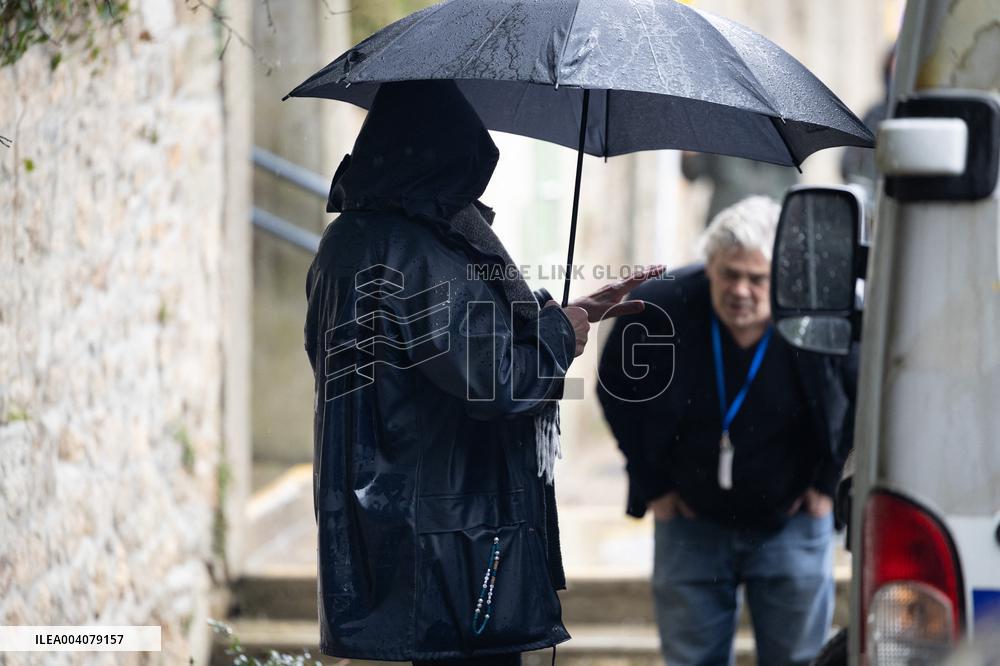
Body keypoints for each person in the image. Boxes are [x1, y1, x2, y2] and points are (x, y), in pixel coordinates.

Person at [304, 79, 661, 666]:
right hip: (445, 545)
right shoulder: (417, 251)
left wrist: (559, 315)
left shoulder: (347, 242)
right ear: (445, 157)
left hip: (389, 532)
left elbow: (437, 351)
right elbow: (497, 384)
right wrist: (554, 335)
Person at [597, 196, 857, 666]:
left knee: (797, 658)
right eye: (728, 274)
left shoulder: (820, 312)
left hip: (791, 519)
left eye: (756, 279)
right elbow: (617, 392)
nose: (740, 290)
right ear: (709, 267)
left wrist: (828, 480)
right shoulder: (661, 307)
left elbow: (864, 393)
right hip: (690, 520)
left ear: (782, 275)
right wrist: (650, 484)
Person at [681, 152, 799, 225]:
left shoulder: (782, 127)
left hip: (771, 223)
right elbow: (692, 170)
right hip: (726, 222)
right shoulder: (719, 126)